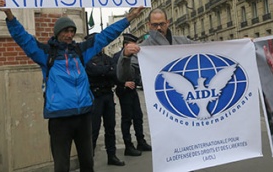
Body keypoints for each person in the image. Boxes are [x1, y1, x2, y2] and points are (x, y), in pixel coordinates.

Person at [0, 0, 142, 172]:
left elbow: (105, 36)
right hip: (59, 118)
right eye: (65, 31)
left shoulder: (81, 51)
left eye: (72, 31)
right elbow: (23, 38)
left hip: (84, 115)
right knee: (62, 166)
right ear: (57, 33)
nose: (69, 35)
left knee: (87, 163)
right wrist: (9, 14)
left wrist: (129, 18)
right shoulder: (45, 53)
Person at [116, 9, 196, 153]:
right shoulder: (143, 49)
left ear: (168, 23)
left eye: (162, 24)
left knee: (190, 145)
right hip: (162, 106)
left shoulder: (183, 42)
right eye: (154, 25)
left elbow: (206, 49)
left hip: (188, 102)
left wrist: (241, 45)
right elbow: (124, 76)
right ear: (148, 25)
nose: (158, 28)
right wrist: (125, 56)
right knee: (170, 149)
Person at [84, 43, 125, 166]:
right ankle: (88, 161)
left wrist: (104, 71)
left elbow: (114, 72)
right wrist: (107, 70)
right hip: (95, 97)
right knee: (93, 130)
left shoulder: (107, 58)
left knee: (110, 128)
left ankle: (112, 156)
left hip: (108, 95)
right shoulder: (87, 59)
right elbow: (93, 71)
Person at [113, 33, 147, 156]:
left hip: (133, 90)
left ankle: (141, 141)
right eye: (133, 44)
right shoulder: (117, 56)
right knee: (127, 119)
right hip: (124, 91)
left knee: (138, 116)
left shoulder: (136, 57)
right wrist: (123, 83)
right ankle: (128, 145)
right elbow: (114, 74)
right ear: (126, 44)